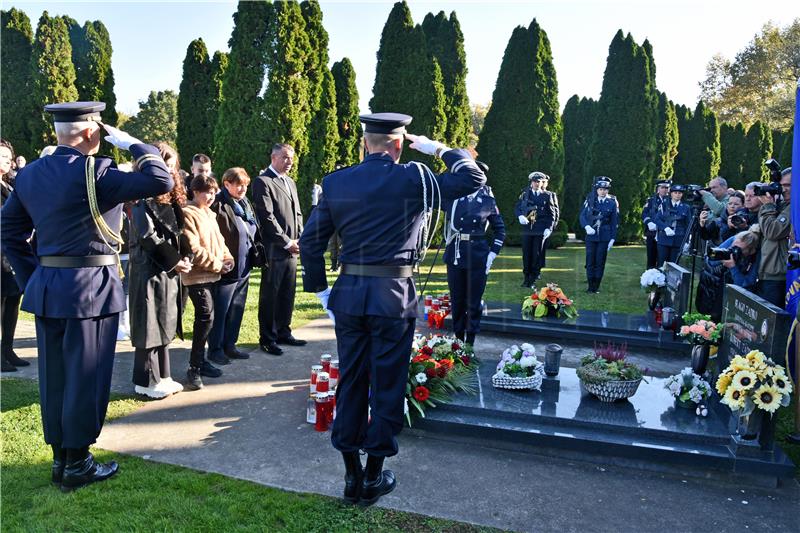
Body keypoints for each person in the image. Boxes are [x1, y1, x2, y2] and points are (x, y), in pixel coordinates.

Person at [299, 112, 485, 506]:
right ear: (399, 144)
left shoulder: (336, 181)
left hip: (349, 294)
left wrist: (321, 293)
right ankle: (372, 476)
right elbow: (472, 178)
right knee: (386, 382)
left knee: (351, 380)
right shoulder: (412, 179)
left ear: (366, 142)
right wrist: (436, 148)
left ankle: (350, 475)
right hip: (393, 294)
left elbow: (310, 243)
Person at [1, 102, 173, 490]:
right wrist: (133, 143)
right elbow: (161, 180)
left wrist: (35, 279)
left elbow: (8, 230)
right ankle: (77, 464)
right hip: (91, 288)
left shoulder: (30, 175)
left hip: (49, 288)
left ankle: (62, 459)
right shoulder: (98, 173)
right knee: (86, 377)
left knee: (56, 378)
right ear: (92, 131)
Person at [129, 142, 192, 399]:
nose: (169, 169)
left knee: (165, 320)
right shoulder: (139, 197)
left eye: (172, 164)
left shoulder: (173, 198)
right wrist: (174, 260)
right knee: (149, 324)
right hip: (148, 268)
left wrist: (185, 257)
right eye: (163, 162)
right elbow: (147, 237)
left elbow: (180, 233)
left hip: (167, 269)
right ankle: (145, 381)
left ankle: (163, 375)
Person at [181, 176, 234, 389]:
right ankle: (194, 368)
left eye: (213, 192)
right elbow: (194, 248)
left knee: (208, 318)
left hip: (213, 274)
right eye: (206, 192)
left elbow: (220, 242)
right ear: (195, 191)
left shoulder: (209, 213)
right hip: (196, 276)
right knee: (205, 317)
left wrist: (227, 258)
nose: (211, 196)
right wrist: (216, 264)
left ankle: (201, 362)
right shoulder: (188, 213)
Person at [253, 143, 306, 356]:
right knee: (270, 295)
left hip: (292, 249)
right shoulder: (263, 181)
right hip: (275, 249)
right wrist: (286, 241)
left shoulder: (290, 182)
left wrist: (300, 238)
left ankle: (284, 331)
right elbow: (267, 217)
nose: (289, 162)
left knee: (287, 293)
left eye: (291, 158)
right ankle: (268, 338)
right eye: (285, 157)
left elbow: (298, 213)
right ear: (273, 157)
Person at [443, 162, 505, 345]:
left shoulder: (487, 201)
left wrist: (492, 255)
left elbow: (500, 230)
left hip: (477, 257)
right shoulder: (454, 199)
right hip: (455, 255)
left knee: (473, 302)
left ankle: (470, 343)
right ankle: (458, 341)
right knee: (457, 300)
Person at [207, 167, 258, 365]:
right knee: (221, 311)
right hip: (226, 267)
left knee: (237, 308)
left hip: (244, 266)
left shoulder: (244, 203)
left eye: (245, 185)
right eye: (238, 185)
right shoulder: (218, 204)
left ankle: (230, 345)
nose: (243, 188)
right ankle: (215, 349)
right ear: (226, 184)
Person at [0, 139, 28, 372]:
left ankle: (7, 349)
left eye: (9, 156)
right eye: (2, 156)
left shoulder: (10, 185)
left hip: (10, 256)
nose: (7, 160)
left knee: (12, 304)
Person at [697, 227, 761, 320]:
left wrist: (733, 267)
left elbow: (744, 285)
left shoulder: (756, 257)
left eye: (739, 249)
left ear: (751, 250)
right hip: (714, 289)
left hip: (735, 302)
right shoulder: (734, 239)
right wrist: (723, 257)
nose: (734, 250)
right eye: (734, 246)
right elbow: (711, 260)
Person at [756, 167, 792, 308]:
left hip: (779, 276)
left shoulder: (794, 207)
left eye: (788, 185)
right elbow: (763, 229)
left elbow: (772, 231)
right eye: (781, 185)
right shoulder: (782, 205)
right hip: (768, 270)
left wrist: (769, 205)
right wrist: (770, 204)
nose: (783, 189)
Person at [514, 172, 556, 288]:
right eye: (535, 181)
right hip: (528, 228)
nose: (537, 184)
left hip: (540, 229)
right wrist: (520, 216)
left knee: (536, 254)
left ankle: (532, 278)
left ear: (542, 182)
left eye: (539, 181)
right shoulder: (525, 194)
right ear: (531, 182)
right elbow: (517, 207)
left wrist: (549, 228)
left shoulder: (547, 195)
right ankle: (526, 276)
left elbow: (551, 214)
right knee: (526, 253)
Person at [579, 177, 618, 293]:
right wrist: (586, 226)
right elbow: (582, 216)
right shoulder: (590, 201)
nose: (603, 191)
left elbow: (614, 222)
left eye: (605, 189)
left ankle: (596, 285)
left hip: (604, 236)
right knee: (590, 260)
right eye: (600, 189)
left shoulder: (611, 203)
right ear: (596, 190)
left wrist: (612, 238)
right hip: (591, 235)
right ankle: (590, 285)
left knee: (600, 261)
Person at [654, 183, 692, 266]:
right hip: (664, 239)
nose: (677, 195)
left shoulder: (686, 207)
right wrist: (665, 228)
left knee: (673, 265)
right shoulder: (664, 205)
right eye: (675, 193)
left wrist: (687, 241)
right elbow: (657, 219)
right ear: (671, 193)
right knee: (661, 263)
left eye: (680, 193)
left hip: (678, 239)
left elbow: (688, 225)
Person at [642, 179, 671, 269]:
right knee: (651, 256)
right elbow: (644, 214)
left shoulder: (671, 202)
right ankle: (649, 278)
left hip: (664, 233)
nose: (665, 190)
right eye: (662, 187)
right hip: (652, 232)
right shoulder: (651, 201)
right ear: (658, 189)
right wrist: (649, 222)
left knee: (663, 258)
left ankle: (661, 279)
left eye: (667, 188)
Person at [537, 173, 559, 271]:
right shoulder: (531, 194)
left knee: (541, 249)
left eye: (544, 182)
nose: (542, 184)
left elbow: (555, 212)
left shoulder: (550, 195)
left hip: (545, 225)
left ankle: (539, 267)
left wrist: (552, 227)